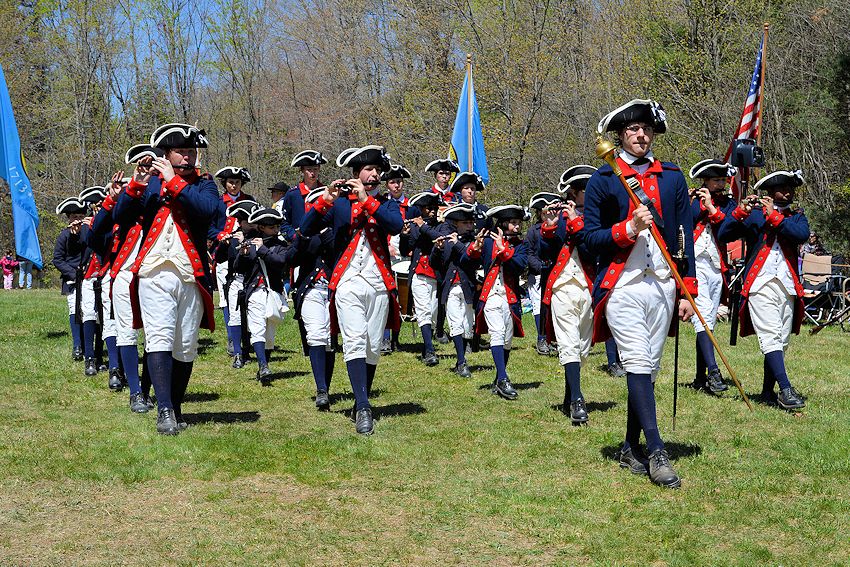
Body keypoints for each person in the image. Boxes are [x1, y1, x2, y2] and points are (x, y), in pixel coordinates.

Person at [584, 99, 696, 489]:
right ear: (620, 135)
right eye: (632, 129)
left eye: (646, 129)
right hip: (623, 285)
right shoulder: (603, 179)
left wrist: (687, 289)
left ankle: (631, 445)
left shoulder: (673, 178)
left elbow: (685, 237)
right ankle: (657, 450)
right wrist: (628, 228)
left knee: (648, 367)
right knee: (636, 360)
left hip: (664, 283)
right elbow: (589, 239)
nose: (641, 135)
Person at [112, 122, 225, 435]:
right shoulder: (149, 183)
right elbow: (119, 218)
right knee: (159, 337)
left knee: (185, 344)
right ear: (165, 153)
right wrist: (136, 184)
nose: (188, 157)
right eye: (181, 151)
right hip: (153, 272)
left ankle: (175, 405)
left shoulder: (205, 184)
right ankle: (163, 410)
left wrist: (174, 181)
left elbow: (210, 212)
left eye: (191, 151)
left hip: (191, 274)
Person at [299, 145, 402, 435]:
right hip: (346, 280)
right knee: (354, 339)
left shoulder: (385, 202)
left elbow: (395, 225)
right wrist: (327, 199)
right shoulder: (340, 203)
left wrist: (367, 200)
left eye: (377, 170)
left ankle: (361, 399)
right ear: (356, 173)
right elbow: (305, 229)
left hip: (379, 281)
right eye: (369, 170)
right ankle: (364, 406)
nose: (375, 174)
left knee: (372, 346)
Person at [718, 170, 809, 410]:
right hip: (759, 282)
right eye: (781, 188)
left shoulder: (796, 217)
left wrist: (775, 217)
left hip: (788, 284)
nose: (787, 193)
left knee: (781, 340)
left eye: (790, 189)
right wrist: (742, 212)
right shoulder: (754, 215)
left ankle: (768, 392)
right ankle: (786, 390)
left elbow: (801, 235)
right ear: (769, 192)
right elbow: (724, 233)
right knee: (770, 334)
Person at [538, 186, 596, 425]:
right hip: (561, 286)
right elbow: (544, 254)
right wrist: (550, 227)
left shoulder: (595, 217)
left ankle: (569, 393)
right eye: (584, 189)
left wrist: (576, 222)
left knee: (582, 347)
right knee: (569, 343)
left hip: (588, 285)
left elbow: (592, 250)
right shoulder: (556, 216)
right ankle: (577, 401)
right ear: (573, 192)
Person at [687, 159, 739, 394]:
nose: (721, 184)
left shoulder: (728, 204)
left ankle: (700, 377)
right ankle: (714, 372)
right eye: (716, 180)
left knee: (708, 319)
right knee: (703, 316)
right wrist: (697, 203)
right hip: (694, 263)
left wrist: (712, 208)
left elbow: (728, 230)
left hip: (716, 264)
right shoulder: (691, 200)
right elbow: (683, 223)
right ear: (705, 181)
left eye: (723, 180)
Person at [466, 204, 528, 400]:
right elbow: (466, 261)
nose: (517, 227)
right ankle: (503, 378)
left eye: (518, 223)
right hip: (490, 295)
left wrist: (505, 250)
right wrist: (474, 249)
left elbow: (519, 266)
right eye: (513, 223)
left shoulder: (520, 245)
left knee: (507, 341)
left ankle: (498, 379)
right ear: (502, 224)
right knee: (497, 333)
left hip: (510, 298)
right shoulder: (488, 242)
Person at [234, 207, 294, 385]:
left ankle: (264, 364)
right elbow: (238, 267)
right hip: (254, 292)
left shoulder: (281, 245)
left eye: (277, 226)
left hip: (273, 291)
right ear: (261, 227)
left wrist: (262, 250)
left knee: (269, 334)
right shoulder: (250, 243)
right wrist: (244, 254)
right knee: (257, 329)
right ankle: (263, 365)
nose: (276, 230)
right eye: (271, 227)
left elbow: (281, 263)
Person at [292, 187, 336, 410]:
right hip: (310, 290)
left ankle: (326, 388)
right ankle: (321, 389)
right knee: (316, 335)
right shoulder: (304, 234)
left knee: (329, 340)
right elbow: (294, 256)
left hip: (333, 289)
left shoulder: (337, 230)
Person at [430, 203, 479, 377]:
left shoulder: (475, 241)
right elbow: (435, 264)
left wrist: (457, 244)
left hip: (468, 288)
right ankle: (461, 361)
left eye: (470, 222)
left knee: (468, 325)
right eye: (465, 223)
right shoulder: (447, 240)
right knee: (455, 324)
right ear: (456, 224)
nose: (469, 225)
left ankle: (463, 353)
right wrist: (438, 249)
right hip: (450, 288)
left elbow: (472, 259)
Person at [78, 186, 117, 380]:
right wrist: (89, 225)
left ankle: (104, 358)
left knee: (106, 316)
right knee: (89, 314)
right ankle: (90, 358)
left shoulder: (110, 223)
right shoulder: (87, 225)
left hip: (106, 272)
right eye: (97, 206)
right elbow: (87, 241)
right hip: (89, 274)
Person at [400, 191, 443, 366]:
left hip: (435, 274)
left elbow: (436, 238)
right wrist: (404, 235)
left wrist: (423, 225)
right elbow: (405, 250)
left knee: (433, 314)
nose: (432, 211)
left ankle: (427, 347)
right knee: (424, 311)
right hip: (418, 273)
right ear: (422, 210)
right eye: (428, 208)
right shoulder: (415, 227)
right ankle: (430, 351)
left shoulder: (442, 227)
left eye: (434, 208)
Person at [214, 165, 254, 351]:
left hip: (245, 253)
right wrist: (220, 235)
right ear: (225, 183)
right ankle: (232, 338)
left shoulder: (250, 201)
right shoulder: (218, 202)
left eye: (237, 182)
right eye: (230, 182)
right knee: (226, 296)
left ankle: (249, 336)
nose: (234, 186)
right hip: (224, 254)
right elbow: (210, 226)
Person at [224, 200, 261, 369]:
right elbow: (223, 259)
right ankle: (238, 353)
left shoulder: (260, 238)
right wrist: (227, 244)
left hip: (255, 280)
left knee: (254, 318)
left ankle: (250, 349)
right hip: (237, 280)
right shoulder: (235, 237)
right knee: (236, 316)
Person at [381, 163, 412, 353]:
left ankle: (396, 339)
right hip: (386, 255)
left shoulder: (412, 207)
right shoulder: (382, 204)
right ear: (387, 185)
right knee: (386, 297)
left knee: (402, 298)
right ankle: (384, 338)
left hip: (405, 257)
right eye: (393, 182)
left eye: (399, 182)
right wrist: (387, 246)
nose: (397, 186)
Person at [53, 197, 87, 360]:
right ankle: (77, 346)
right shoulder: (63, 236)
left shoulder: (89, 234)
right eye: (74, 216)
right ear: (69, 218)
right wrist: (73, 275)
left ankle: (89, 347)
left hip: (89, 277)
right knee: (74, 310)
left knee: (89, 313)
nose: (78, 220)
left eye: (81, 216)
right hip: (72, 279)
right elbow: (57, 259)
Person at [525, 193, 558, 355]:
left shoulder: (559, 229)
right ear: (539, 214)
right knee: (539, 307)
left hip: (555, 272)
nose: (547, 216)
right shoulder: (533, 231)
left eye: (550, 212)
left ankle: (553, 338)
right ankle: (541, 338)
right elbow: (528, 253)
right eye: (544, 213)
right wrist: (539, 267)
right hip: (537, 274)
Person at [282, 150, 327, 240]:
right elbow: (284, 224)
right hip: (300, 246)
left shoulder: (326, 193)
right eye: (309, 170)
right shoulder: (293, 194)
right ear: (302, 170)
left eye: (315, 169)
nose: (313, 173)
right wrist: (294, 236)